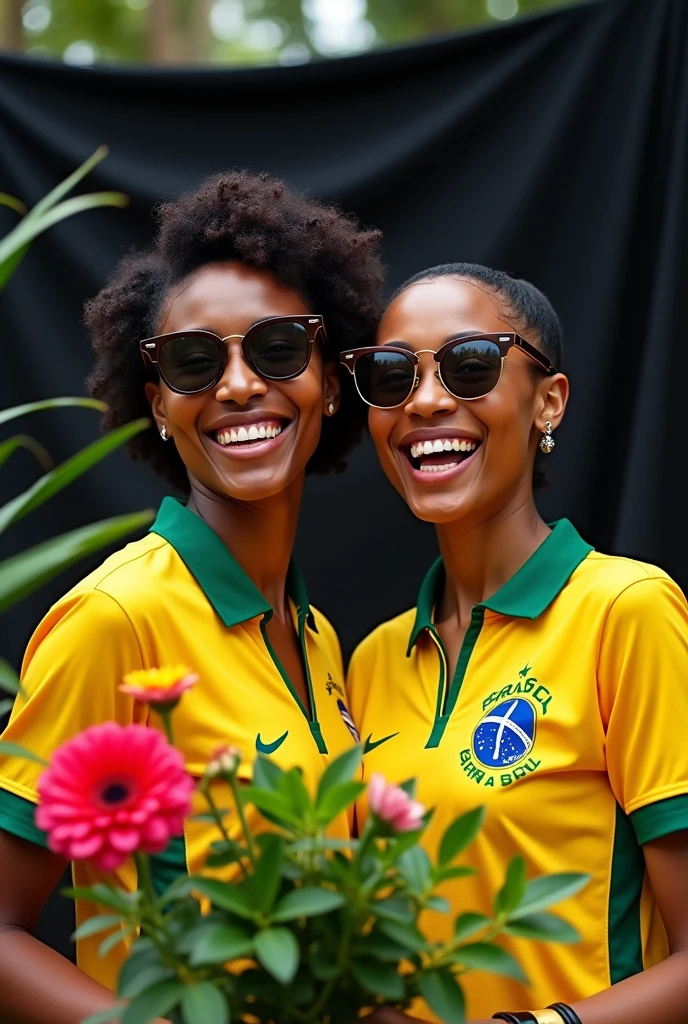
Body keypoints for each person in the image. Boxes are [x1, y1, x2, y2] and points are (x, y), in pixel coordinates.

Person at [0, 170, 384, 1024]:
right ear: (160, 404)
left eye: (279, 348)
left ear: (325, 375)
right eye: (194, 360)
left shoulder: (318, 641)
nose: (240, 384)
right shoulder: (115, 620)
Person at [345, 264, 688, 1024]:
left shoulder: (627, 612)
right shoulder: (371, 661)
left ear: (549, 402)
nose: (426, 401)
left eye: (471, 366)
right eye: (392, 376)